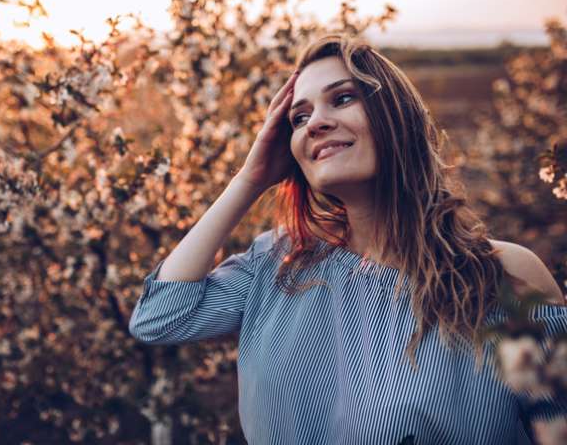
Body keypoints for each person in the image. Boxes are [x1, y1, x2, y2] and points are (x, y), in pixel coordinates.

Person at [128, 33, 567, 444]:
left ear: (396, 118)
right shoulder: (278, 263)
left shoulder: (503, 276)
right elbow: (159, 316)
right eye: (299, 118)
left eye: (342, 99)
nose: (316, 122)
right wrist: (250, 178)